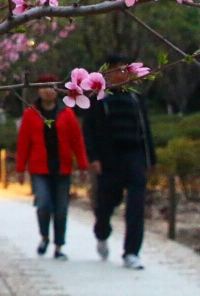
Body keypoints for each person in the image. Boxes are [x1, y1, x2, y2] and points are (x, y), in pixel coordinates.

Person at [82, 54, 157, 270]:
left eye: (125, 69)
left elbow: (146, 130)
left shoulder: (136, 100)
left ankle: (132, 252)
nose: (121, 74)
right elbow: (89, 131)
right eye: (116, 70)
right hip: (110, 160)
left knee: (136, 206)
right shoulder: (99, 99)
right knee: (106, 205)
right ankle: (102, 233)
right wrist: (93, 157)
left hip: (134, 158)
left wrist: (151, 159)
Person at [16, 73, 88, 259]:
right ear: (39, 90)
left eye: (52, 86)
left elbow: (76, 141)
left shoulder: (67, 113)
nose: (48, 90)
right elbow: (23, 143)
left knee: (61, 209)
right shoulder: (31, 114)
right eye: (44, 86)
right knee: (44, 204)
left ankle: (58, 246)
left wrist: (82, 165)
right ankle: (44, 236)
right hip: (40, 168)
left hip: (62, 167)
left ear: (57, 90)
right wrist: (20, 168)